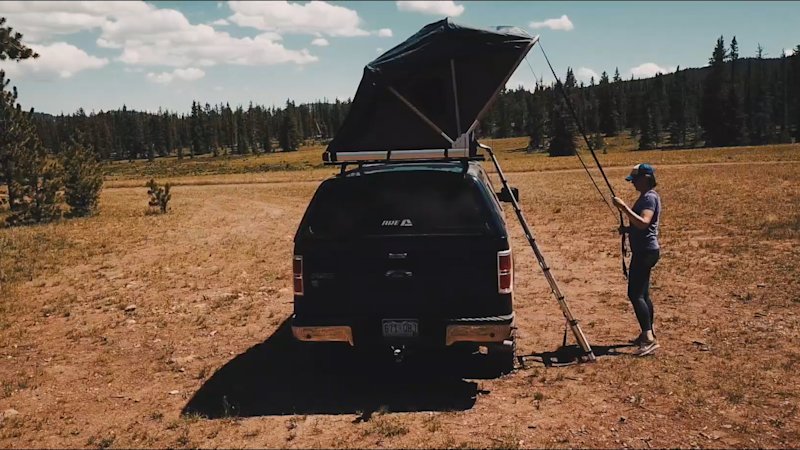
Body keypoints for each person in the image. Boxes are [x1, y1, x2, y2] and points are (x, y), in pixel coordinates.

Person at [612, 163, 661, 357]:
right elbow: (639, 225)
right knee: (643, 294)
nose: (633, 184)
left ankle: (649, 339)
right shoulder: (646, 197)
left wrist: (623, 207)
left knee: (635, 294)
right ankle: (647, 331)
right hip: (646, 250)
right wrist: (627, 230)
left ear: (646, 179)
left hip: (645, 252)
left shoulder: (649, 198)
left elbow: (643, 223)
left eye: (635, 180)